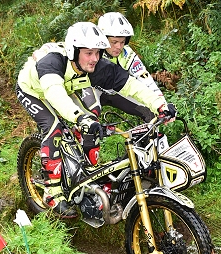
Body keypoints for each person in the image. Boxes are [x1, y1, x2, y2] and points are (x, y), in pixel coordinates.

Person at [16, 22, 176, 217]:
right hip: (34, 90)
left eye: (98, 53)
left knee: (93, 121)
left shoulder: (96, 66)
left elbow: (131, 85)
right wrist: (78, 118)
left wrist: (160, 104)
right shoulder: (53, 62)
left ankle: (88, 174)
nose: (95, 59)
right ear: (73, 51)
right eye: (89, 53)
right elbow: (55, 95)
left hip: (67, 88)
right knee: (54, 128)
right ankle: (53, 194)